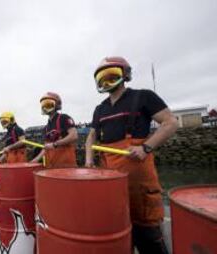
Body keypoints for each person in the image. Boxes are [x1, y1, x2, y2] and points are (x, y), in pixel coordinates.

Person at [85, 56, 178, 254]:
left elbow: (170, 122)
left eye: (112, 76)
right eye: (102, 78)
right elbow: (91, 137)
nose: (106, 82)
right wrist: (88, 161)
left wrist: (145, 148)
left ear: (125, 75)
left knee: (149, 235)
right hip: (110, 181)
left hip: (140, 181)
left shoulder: (143, 96)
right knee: (119, 233)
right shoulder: (99, 109)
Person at [31, 92, 78, 168]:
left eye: (49, 104)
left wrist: (55, 144)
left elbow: (74, 136)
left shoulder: (64, 118)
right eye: (44, 105)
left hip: (66, 165)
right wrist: (35, 160)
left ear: (57, 105)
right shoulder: (45, 128)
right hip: (51, 165)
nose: (45, 107)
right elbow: (46, 147)